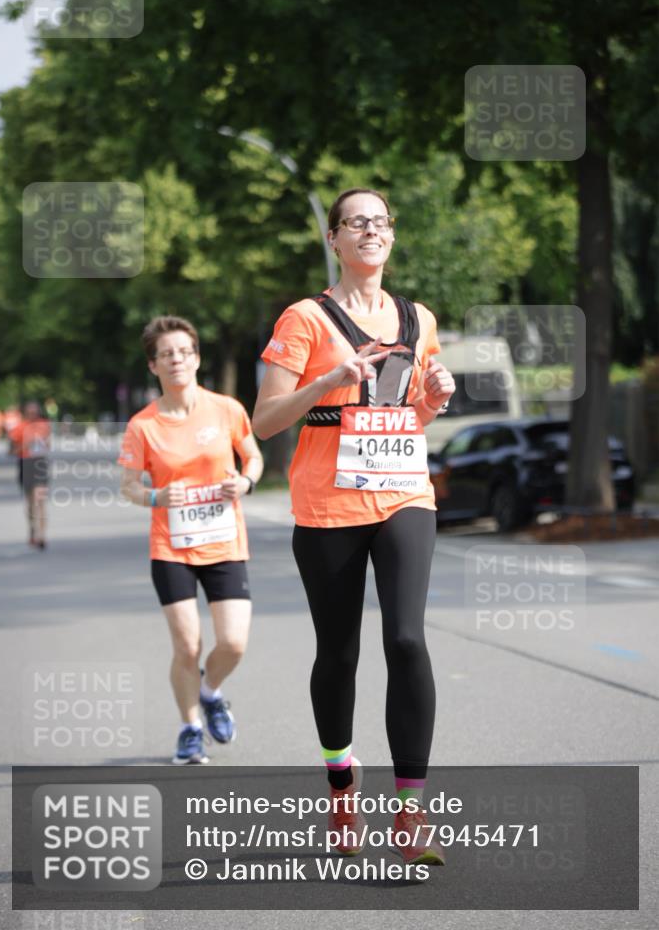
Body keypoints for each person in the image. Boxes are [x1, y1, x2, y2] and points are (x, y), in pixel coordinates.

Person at [253, 188, 455, 864]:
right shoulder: (305, 318)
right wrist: (329, 379)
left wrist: (433, 398)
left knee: (405, 639)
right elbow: (266, 420)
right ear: (334, 239)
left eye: (379, 221)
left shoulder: (417, 317)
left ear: (390, 237)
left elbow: (406, 418)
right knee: (339, 654)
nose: (369, 230)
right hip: (326, 505)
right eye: (355, 222)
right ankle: (341, 786)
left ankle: (410, 812)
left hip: (403, 495)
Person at [119, 316, 263, 765]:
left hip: (224, 543)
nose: (176, 360)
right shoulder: (143, 425)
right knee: (187, 646)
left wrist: (245, 482)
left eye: (184, 351)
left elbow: (253, 456)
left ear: (197, 358)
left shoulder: (226, 409)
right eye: (166, 354)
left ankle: (210, 691)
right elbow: (128, 486)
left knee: (234, 643)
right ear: (153, 366)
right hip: (172, 547)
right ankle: (190, 728)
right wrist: (158, 495)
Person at [8, 401, 51, 549]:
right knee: (30, 503)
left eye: (35, 412)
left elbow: (47, 444)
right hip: (25, 464)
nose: (33, 415)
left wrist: (44, 444)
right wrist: (24, 446)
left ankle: (41, 535)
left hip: (40, 464)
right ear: (25, 413)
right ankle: (33, 528)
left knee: (40, 500)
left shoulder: (44, 425)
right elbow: (11, 452)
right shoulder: (19, 428)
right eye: (30, 413)